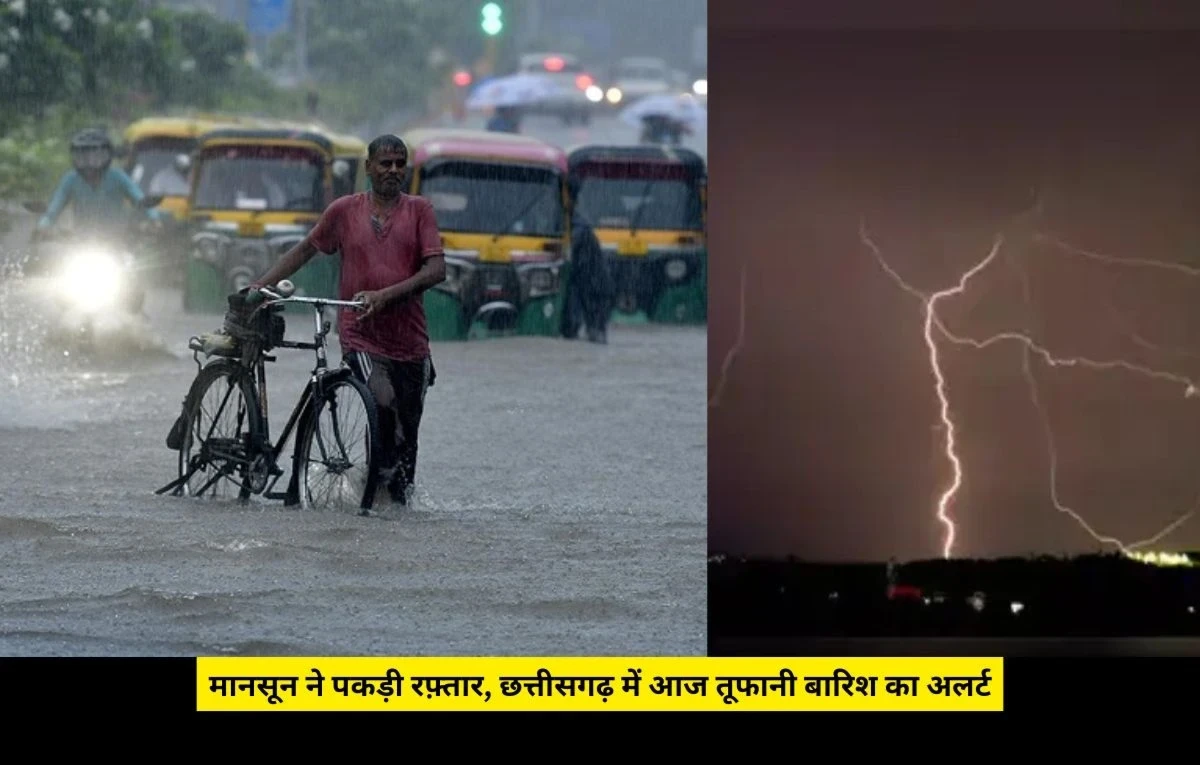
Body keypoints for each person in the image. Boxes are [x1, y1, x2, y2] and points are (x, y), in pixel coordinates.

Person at [242, 134, 446, 506]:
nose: (393, 170)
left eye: (400, 163)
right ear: (367, 167)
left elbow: (436, 271)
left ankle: (394, 510)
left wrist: (384, 296)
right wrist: (260, 286)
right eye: (385, 163)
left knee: (408, 437)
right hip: (362, 335)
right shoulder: (344, 211)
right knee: (381, 404)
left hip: (411, 341)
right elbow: (305, 250)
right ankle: (373, 500)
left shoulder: (420, 211)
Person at [35, 128, 164, 243]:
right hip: (81, 244)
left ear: (107, 157)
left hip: (117, 242)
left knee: (138, 266)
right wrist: (43, 225)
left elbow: (138, 198)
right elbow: (55, 207)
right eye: (82, 158)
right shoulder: (70, 180)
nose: (89, 163)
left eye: (96, 157)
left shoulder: (118, 177)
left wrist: (154, 220)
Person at [559, 174, 614, 344]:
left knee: (588, 337)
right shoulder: (566, 224)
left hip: (592, 297)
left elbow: (573, 272)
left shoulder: (578, 229)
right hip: (590, 295)